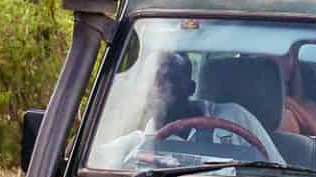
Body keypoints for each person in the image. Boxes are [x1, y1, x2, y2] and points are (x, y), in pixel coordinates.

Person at [98, 52, 284, 166]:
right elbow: (91, 164)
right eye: (153, 83)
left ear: (190, 88)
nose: (161, 90)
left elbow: (277, 171)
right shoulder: (134, 145)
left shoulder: (235, 116)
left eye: (170, 81)